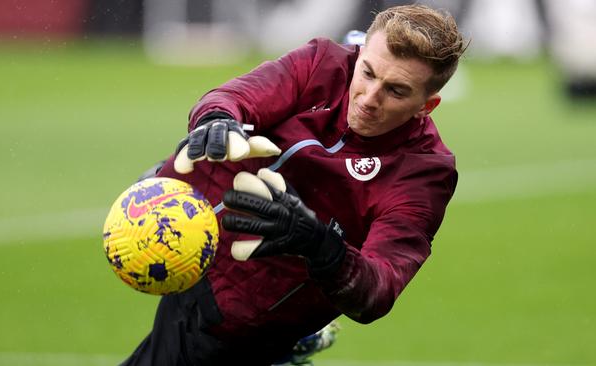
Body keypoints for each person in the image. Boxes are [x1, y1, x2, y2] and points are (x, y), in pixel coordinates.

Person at [122, 4, 467, 365]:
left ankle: (285, 346)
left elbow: (377, 291)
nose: (368, 98)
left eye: (396, 91)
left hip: (236, 314)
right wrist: (216, 119)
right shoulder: (323, 64)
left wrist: (320, 245)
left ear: (427, 106)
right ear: (360, 53)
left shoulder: (424, 171)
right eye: (367, 73)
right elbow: (235, 97)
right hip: (183, 230)